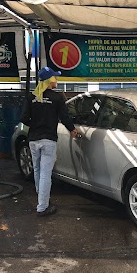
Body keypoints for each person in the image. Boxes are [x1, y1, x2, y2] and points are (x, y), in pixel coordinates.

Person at [21, 66, 78, 216]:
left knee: (37, 170)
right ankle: (43, 207)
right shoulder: (57, 98)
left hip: (33, 139)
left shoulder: (31, 97)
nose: (56, 79)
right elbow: (65, 117)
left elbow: (23, 118)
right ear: (50, 80)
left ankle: (41, 197)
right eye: (55, 77)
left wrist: (35, 125)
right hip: (48, 140)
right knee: (46, 173)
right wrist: (72, 129)